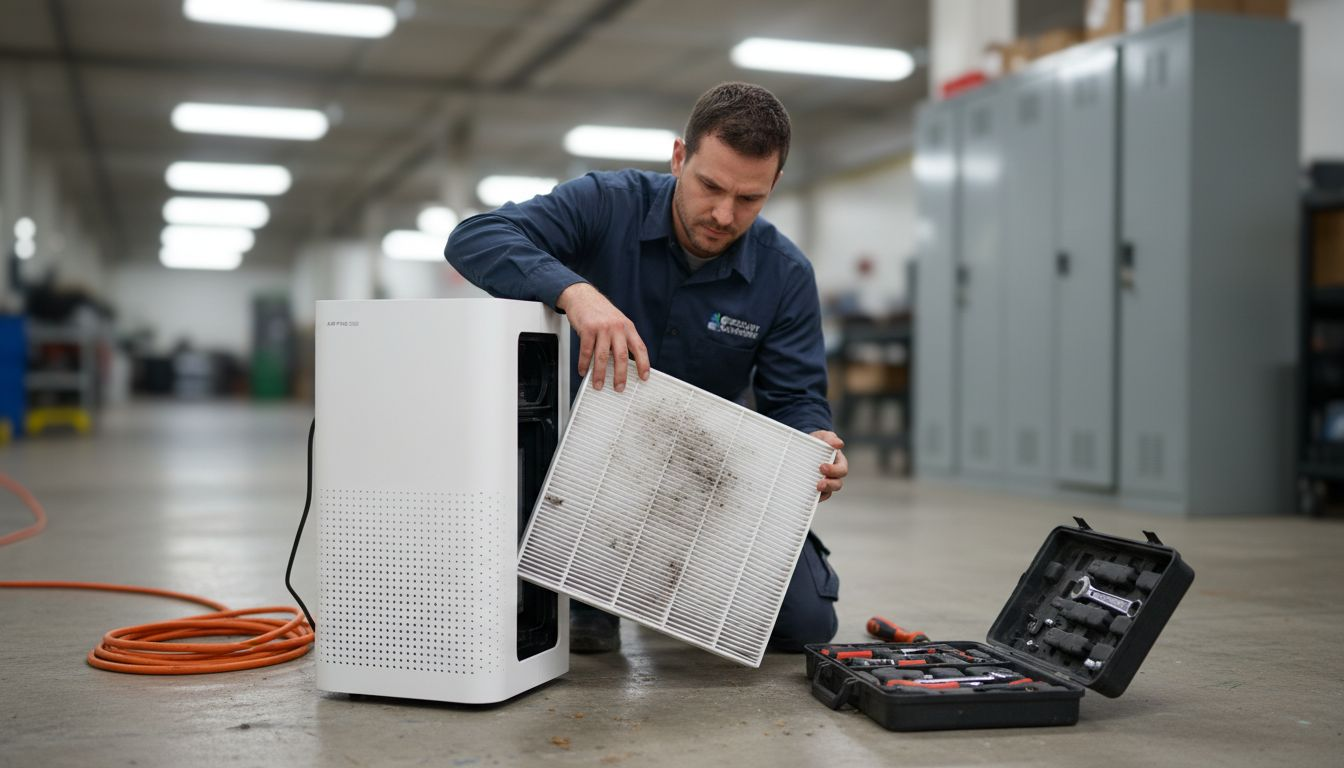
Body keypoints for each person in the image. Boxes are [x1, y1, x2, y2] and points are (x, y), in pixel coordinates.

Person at [445, 81, 847, 654]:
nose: (724, 213)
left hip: (699, 475)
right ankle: (589, 593)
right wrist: (575, 293)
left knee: (806, 625)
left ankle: (639, 587)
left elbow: (796, 398)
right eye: (710, 185)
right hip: (573, 464)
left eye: (749, 199)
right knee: (513, 587)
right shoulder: (604, 204)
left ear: (774, 185)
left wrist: (816, 443)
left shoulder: (785, 275)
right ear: (679, 157)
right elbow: (476, 237)